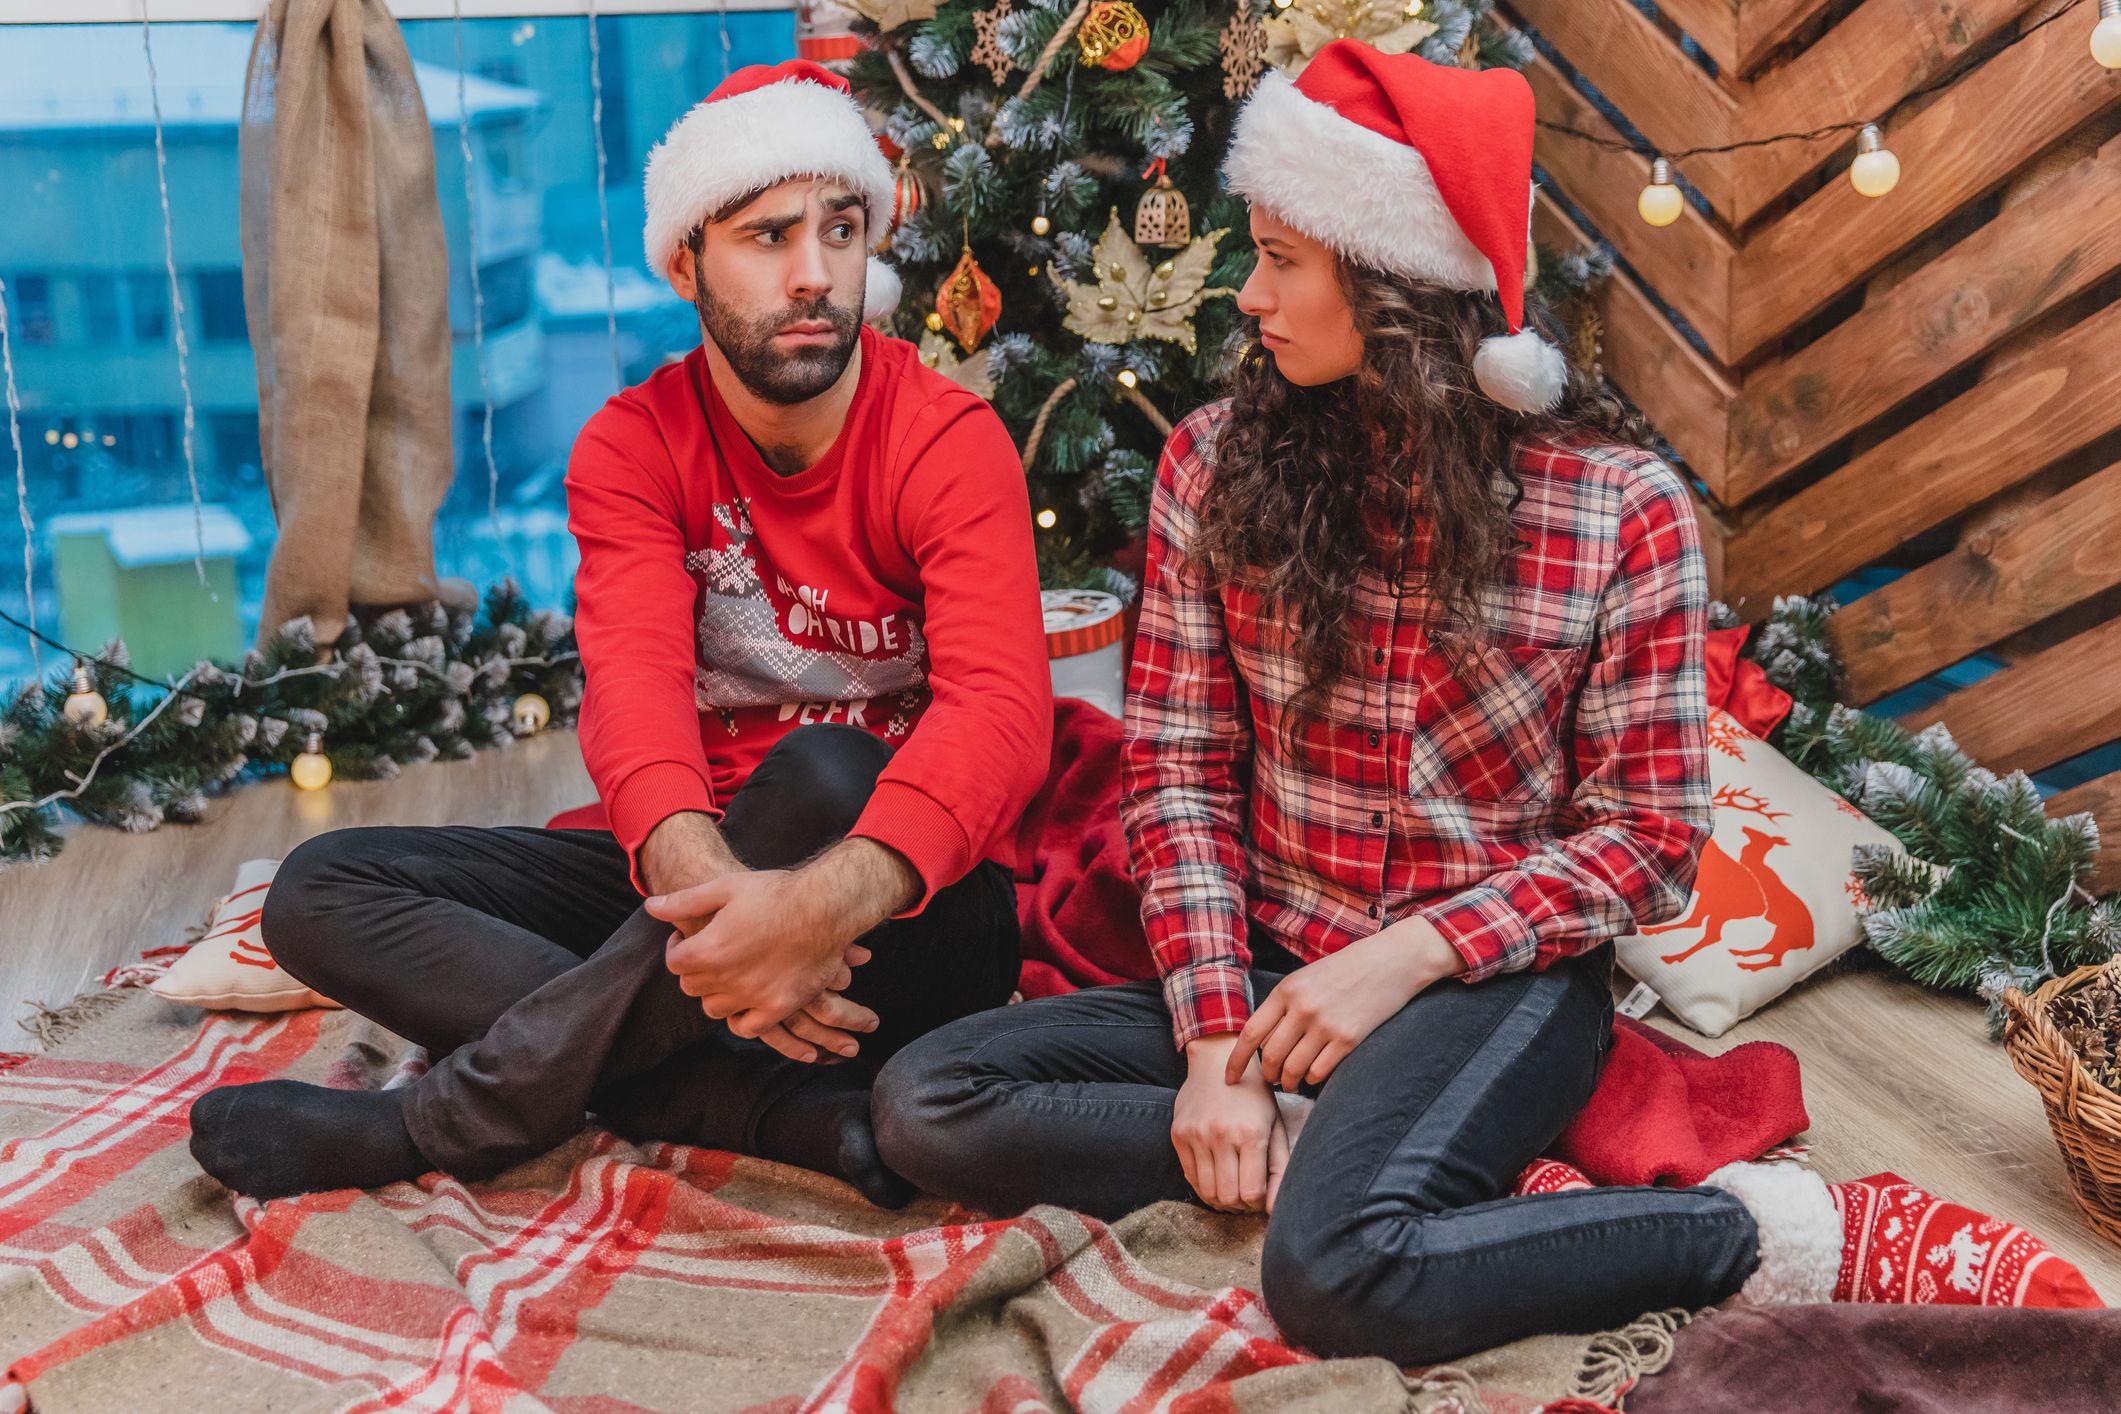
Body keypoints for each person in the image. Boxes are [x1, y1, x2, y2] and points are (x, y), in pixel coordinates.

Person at [872, 40, 1923, 1364]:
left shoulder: (1616, 509)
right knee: (926, 1099)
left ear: (1400, 285)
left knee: (1331, 1278)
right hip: (1265, 965)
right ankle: (1335, 1142)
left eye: (1284, 260)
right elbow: (1181, 779)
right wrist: (1210, 1052)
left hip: (1494, 978)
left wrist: (1415, 951)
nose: (1246, 294)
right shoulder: (1207, 465)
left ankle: (1748, 1231)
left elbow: (1649, 839)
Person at [188, 60, 1051, 1208]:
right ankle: (735, 1102)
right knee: (317, 890)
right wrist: (718, 899)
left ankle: (443, 1119)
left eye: (842, 231)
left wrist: (812, 905)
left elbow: (1001, 713)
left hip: (904, 911)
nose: (815, 275)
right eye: (768, 235)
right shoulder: (634, 445)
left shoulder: (949, 438)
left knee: (828, 765)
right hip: (693, 883)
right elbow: (634, 687)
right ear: (687, 258)